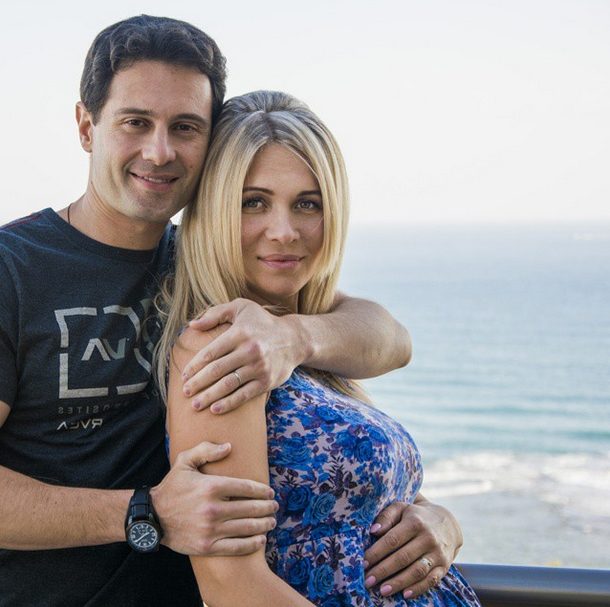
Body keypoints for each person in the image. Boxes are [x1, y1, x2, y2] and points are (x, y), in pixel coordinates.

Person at [0, 15, 462, 607]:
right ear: (87, 127)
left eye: (185, 127)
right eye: (136, 122)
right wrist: (142, 512)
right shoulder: (14, 271)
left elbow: (390, 339)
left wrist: (294, 337)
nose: (160, 151)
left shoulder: (213, 269)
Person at [159, 90, 479, 606]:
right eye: (253, 202)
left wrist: (441, 520)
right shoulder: (224, 347)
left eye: (307, 204)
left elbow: (395, 341)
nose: (284, 232)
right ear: (214, 210)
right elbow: (231, 585)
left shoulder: (301, 337)